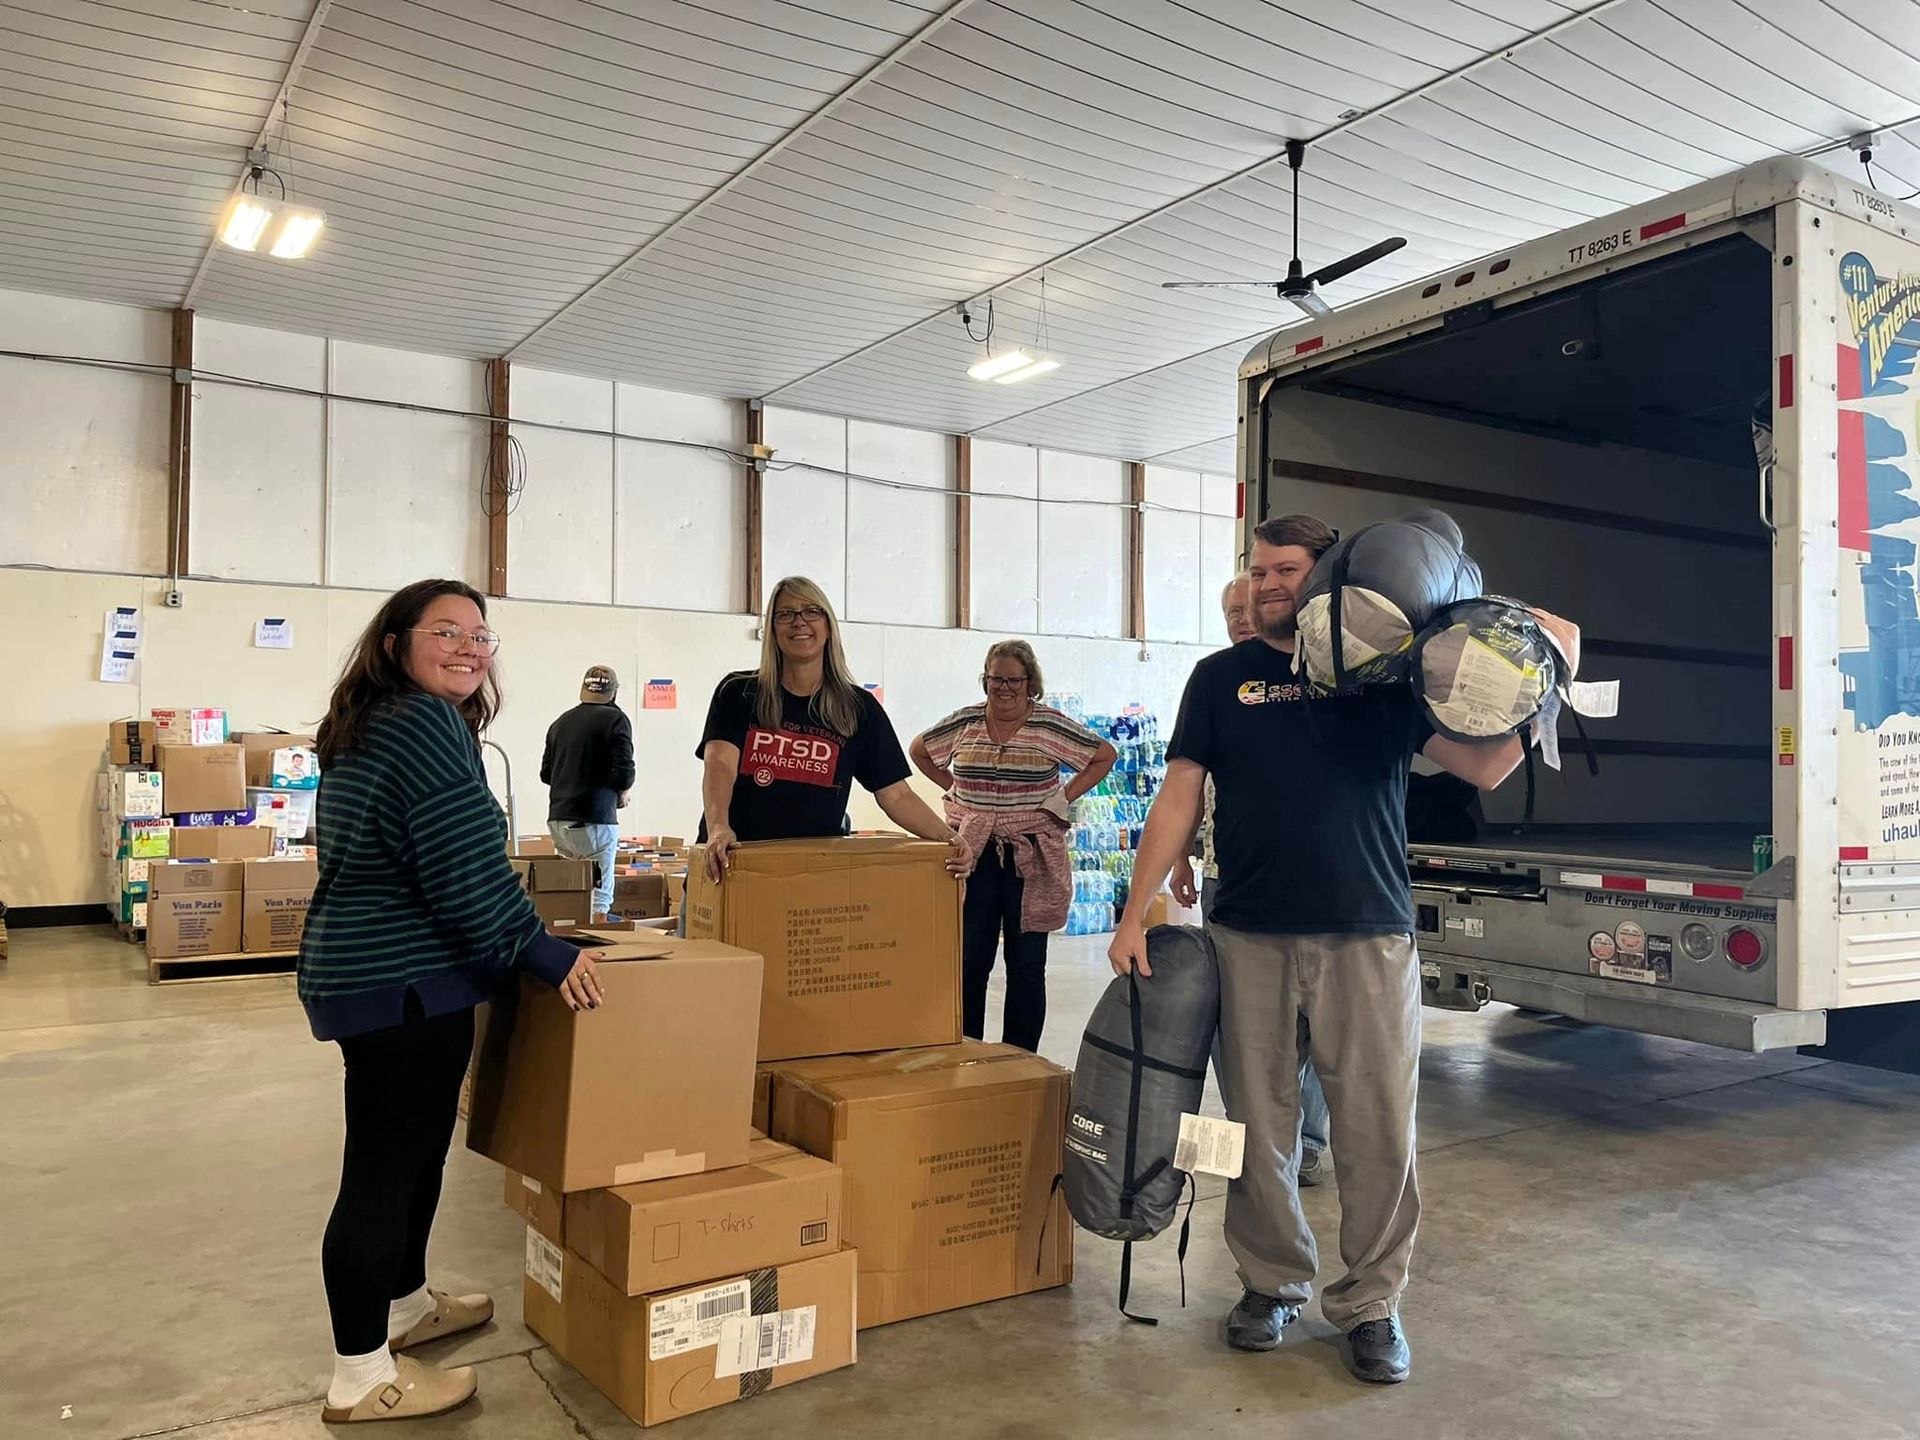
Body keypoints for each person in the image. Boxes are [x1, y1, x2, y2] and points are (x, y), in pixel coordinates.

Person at [1109, 516, 1578, 1387]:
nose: (1265, 584)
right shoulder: (1220, 680)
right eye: (1255, 571)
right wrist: (1135, 911)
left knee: (1374, 1131)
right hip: (1245, 930)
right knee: (1255, 1127)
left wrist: (1554, 674)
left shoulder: (1385, 682)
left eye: (1284, 569)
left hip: (1367, 933)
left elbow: (1485, 768)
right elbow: (1178, 798)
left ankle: (1371, 1304)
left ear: (1324, 577)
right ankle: (1271, 1283)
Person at [300, 579, 606, 1425]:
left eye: (481, 635)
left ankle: (404, 1307)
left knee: (417, 1153)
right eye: (447, 631)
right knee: (383, 1171)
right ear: (397, 642)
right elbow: (463, 862)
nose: (471, 647)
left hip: (380, 973)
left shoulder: (373, 721)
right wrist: (539, 950)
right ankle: (361, 1377)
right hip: (400, 982)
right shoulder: (423, 723)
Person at [1174, 571, 1333, 1186]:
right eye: (1231, 611)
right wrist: (1183, 856)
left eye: (1250, 607)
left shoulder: (1310, 678)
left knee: (1315, 1027)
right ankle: (1254, 1140)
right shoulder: (1216, 682)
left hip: (1306, 887)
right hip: (1224, 875)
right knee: (1239, 1030)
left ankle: (1309, 1141)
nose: (1242, 618)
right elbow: (1190, 786)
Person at [909, 641, 1116, 1051]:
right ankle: (965, 1050)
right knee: (970, 960)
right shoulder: (966, 722)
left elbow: (1103, 755)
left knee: (1026, 964)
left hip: (1030, 855)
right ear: (984, 680)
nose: (1003, 688)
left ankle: (1019, 1058)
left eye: (1013, 681)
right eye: (995, 679)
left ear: (1030, 683)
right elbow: (920, 750)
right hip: (974, 852)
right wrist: (957, 791)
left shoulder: (1049, 725)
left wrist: (1063, 797)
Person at [697, 576, 958, 879]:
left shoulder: (858, 708)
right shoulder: (738, 692)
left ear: (829, 626)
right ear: (772, 630)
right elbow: (719, 765)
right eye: (786, 614)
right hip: (734, 865)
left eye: (811, 611)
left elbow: (896, 795)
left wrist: (949, 837)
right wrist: (718, 827)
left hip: (812, 874)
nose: (799, 622)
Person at [542, 664, 636, 919]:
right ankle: (598, 953)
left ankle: (568, 947)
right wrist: (623, 791)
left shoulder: (560, 722)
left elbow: (546, 774)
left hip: (559, 820)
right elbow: (624, 771)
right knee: (599, 897)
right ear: (613, 693)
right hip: (594, 818)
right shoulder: (616, 719)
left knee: (571, 893)